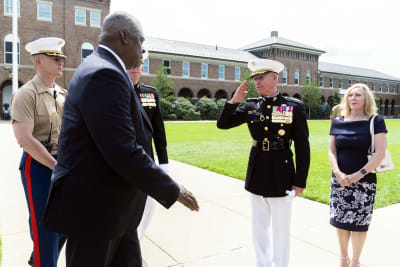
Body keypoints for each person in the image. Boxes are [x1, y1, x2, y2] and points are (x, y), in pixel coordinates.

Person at [42, 12, 199, 267]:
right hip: (96, 216)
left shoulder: (102, 67)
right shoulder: (104, 74)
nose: (142, 50)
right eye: (140, 41)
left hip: (115, 214)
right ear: (124, 37)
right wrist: (173, 189)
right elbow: (123, 151)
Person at [217, 59, 310, 267]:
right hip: (258, 170)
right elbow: (223, 124)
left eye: (261, 78)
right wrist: (233, 102)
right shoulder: (251, 106)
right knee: (259, 228)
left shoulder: (293, 107)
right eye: (255, 78)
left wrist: (300, 182)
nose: (257, 82)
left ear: (274, 78)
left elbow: (303, 147)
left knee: (281, 229)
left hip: (282, 173)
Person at [11, 37, 67, 267]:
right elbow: (24, 138)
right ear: (39, 61)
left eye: (61, 58)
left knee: (66, 220)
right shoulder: (27, 93)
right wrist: (54, 166)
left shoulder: (63, 94)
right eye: (55, 58)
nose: (61, 62)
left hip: (62, 161)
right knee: (44, 225)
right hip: (37, 165)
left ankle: (40, 256)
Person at [328, 84, 387, 267]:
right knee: (340, 221)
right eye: (350, 95)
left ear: (366, 99)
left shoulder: (375, 121)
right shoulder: (337, 121)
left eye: (358, 95)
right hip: (340, 181)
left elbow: (379, 154)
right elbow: (331, 151)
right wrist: (338, 173)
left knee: (359, 223)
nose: (353, 98)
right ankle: (343, 259)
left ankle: (355, 261)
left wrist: (357, 175)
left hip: (364, 182)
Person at [127, 59, 169, 243]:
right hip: (125, 160)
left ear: (142, 68)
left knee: (149, 205)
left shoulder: (150, 94)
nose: (134, 69)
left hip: (147, 160)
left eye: (137, 65)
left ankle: (138, 240)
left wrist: (164, 163)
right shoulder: (116, 91)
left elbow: (159, 131)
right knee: (128, 206)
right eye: (130, 65)